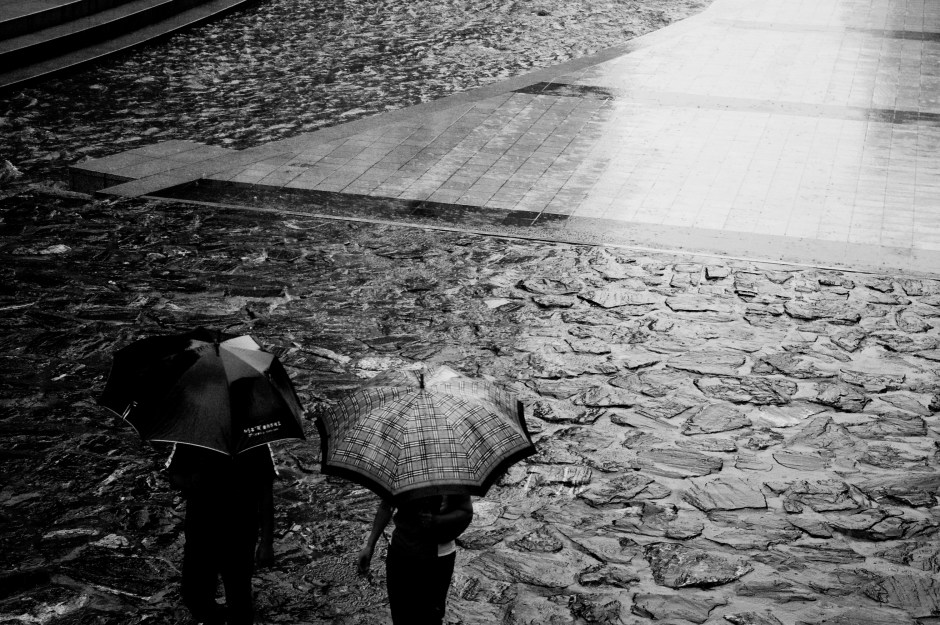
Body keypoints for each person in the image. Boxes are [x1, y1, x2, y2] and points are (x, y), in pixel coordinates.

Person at [166, 443, 276, 625]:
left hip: (240, 533)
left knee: (239, 597)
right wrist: (190, 481)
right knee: (194, 593)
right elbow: (174, 475)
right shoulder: (194, 439)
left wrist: (266, 541)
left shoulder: (255, 444)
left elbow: (266, 493)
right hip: (201, 531)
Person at [357, 494, 473, 625]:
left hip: (436, 559)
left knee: (430, 617)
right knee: (400, 614)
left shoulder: (450, 475)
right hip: (399, 553)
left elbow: (466, 511)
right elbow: (386, 506)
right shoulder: (401, 474)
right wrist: (370, 545)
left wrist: (437, 520)